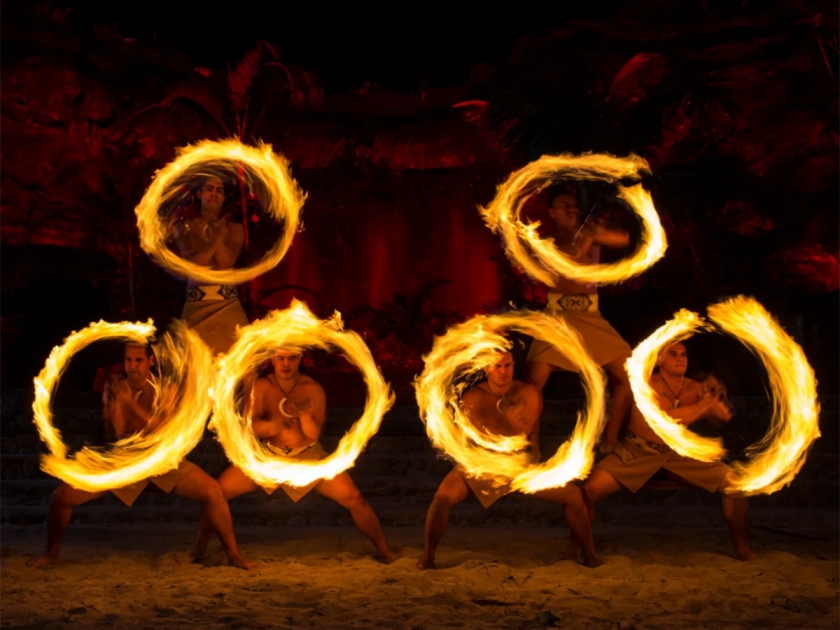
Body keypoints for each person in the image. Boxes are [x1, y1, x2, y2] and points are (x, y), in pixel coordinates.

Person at [28, 343, 253, 569]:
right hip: (125, 459)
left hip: (160, 459)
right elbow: (119, 430)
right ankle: (51, 555)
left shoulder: (166, 389)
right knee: (61, 497)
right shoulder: (115, 388)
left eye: (138, 360)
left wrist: (131, 404)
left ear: (150, 361)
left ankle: (232, 554)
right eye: (128, 360)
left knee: (213, 491)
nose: (133, 366)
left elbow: (163, 429)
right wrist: (115, 403)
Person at [190, 349, 397, 564]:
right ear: (273, 359)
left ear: (300, 359)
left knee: (354, 498)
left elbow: (313, 434)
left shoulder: (312, 389)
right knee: (215, 494)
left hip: (307, 457)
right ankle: (199, 550)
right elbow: (250, 427)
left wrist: (304, 416)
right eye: (280, 358)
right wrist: (272, 425)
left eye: (291, 358)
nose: (285, 363)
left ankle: (384, 550)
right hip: (268, 459)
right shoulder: (262, 387)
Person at [417, 351, 600, 570]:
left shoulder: (528, 393)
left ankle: (589, 556)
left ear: (513, 365)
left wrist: (530, 457)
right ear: (486, 368)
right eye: (497, 366)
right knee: (442, 499)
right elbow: (467, 444)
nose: (503, 371)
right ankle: (428, 557)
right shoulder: (474, 398)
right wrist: (503, 429)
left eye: (507, 365)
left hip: (517, 466)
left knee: (574, 496)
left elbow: (533, 438)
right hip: (482, 465)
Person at [582, 342, 755, 561]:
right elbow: (665, 419)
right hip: (638, 451)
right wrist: (704, 405)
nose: (680, 358)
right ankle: (583, 550)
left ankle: (742, 549)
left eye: (684, 354)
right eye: (673, 354)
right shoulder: (644, 384)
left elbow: (723, 418)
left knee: (733, 485)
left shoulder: (695, 388)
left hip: (677, 454)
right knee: (590, 490)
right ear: (660, 360)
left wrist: (717, 393)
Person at [525, 191, 633, 452]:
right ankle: (532, 445)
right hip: (557, 318)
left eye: (574, 204)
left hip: (590, 316)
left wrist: (596, 230)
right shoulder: (545, 241)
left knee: (631, 375)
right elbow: (565, 267)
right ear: (552, 212)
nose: (571, 208)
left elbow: (623, 238)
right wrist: (583, 241)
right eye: (564, 205)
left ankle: (610, 439)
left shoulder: (590, 232)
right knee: (534, 382)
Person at [171, 176, 248, 355]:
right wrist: (218, 235)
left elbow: (225, 263)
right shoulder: (184, 228)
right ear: (199, 194)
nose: (214, 193)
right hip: (197, 305)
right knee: (194, 366)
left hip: (227, 304)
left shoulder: (235, 229)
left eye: (219, 190)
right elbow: (198, 264)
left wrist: (218, 230)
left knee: (239, 363)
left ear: (223, 198)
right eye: (209, 189)